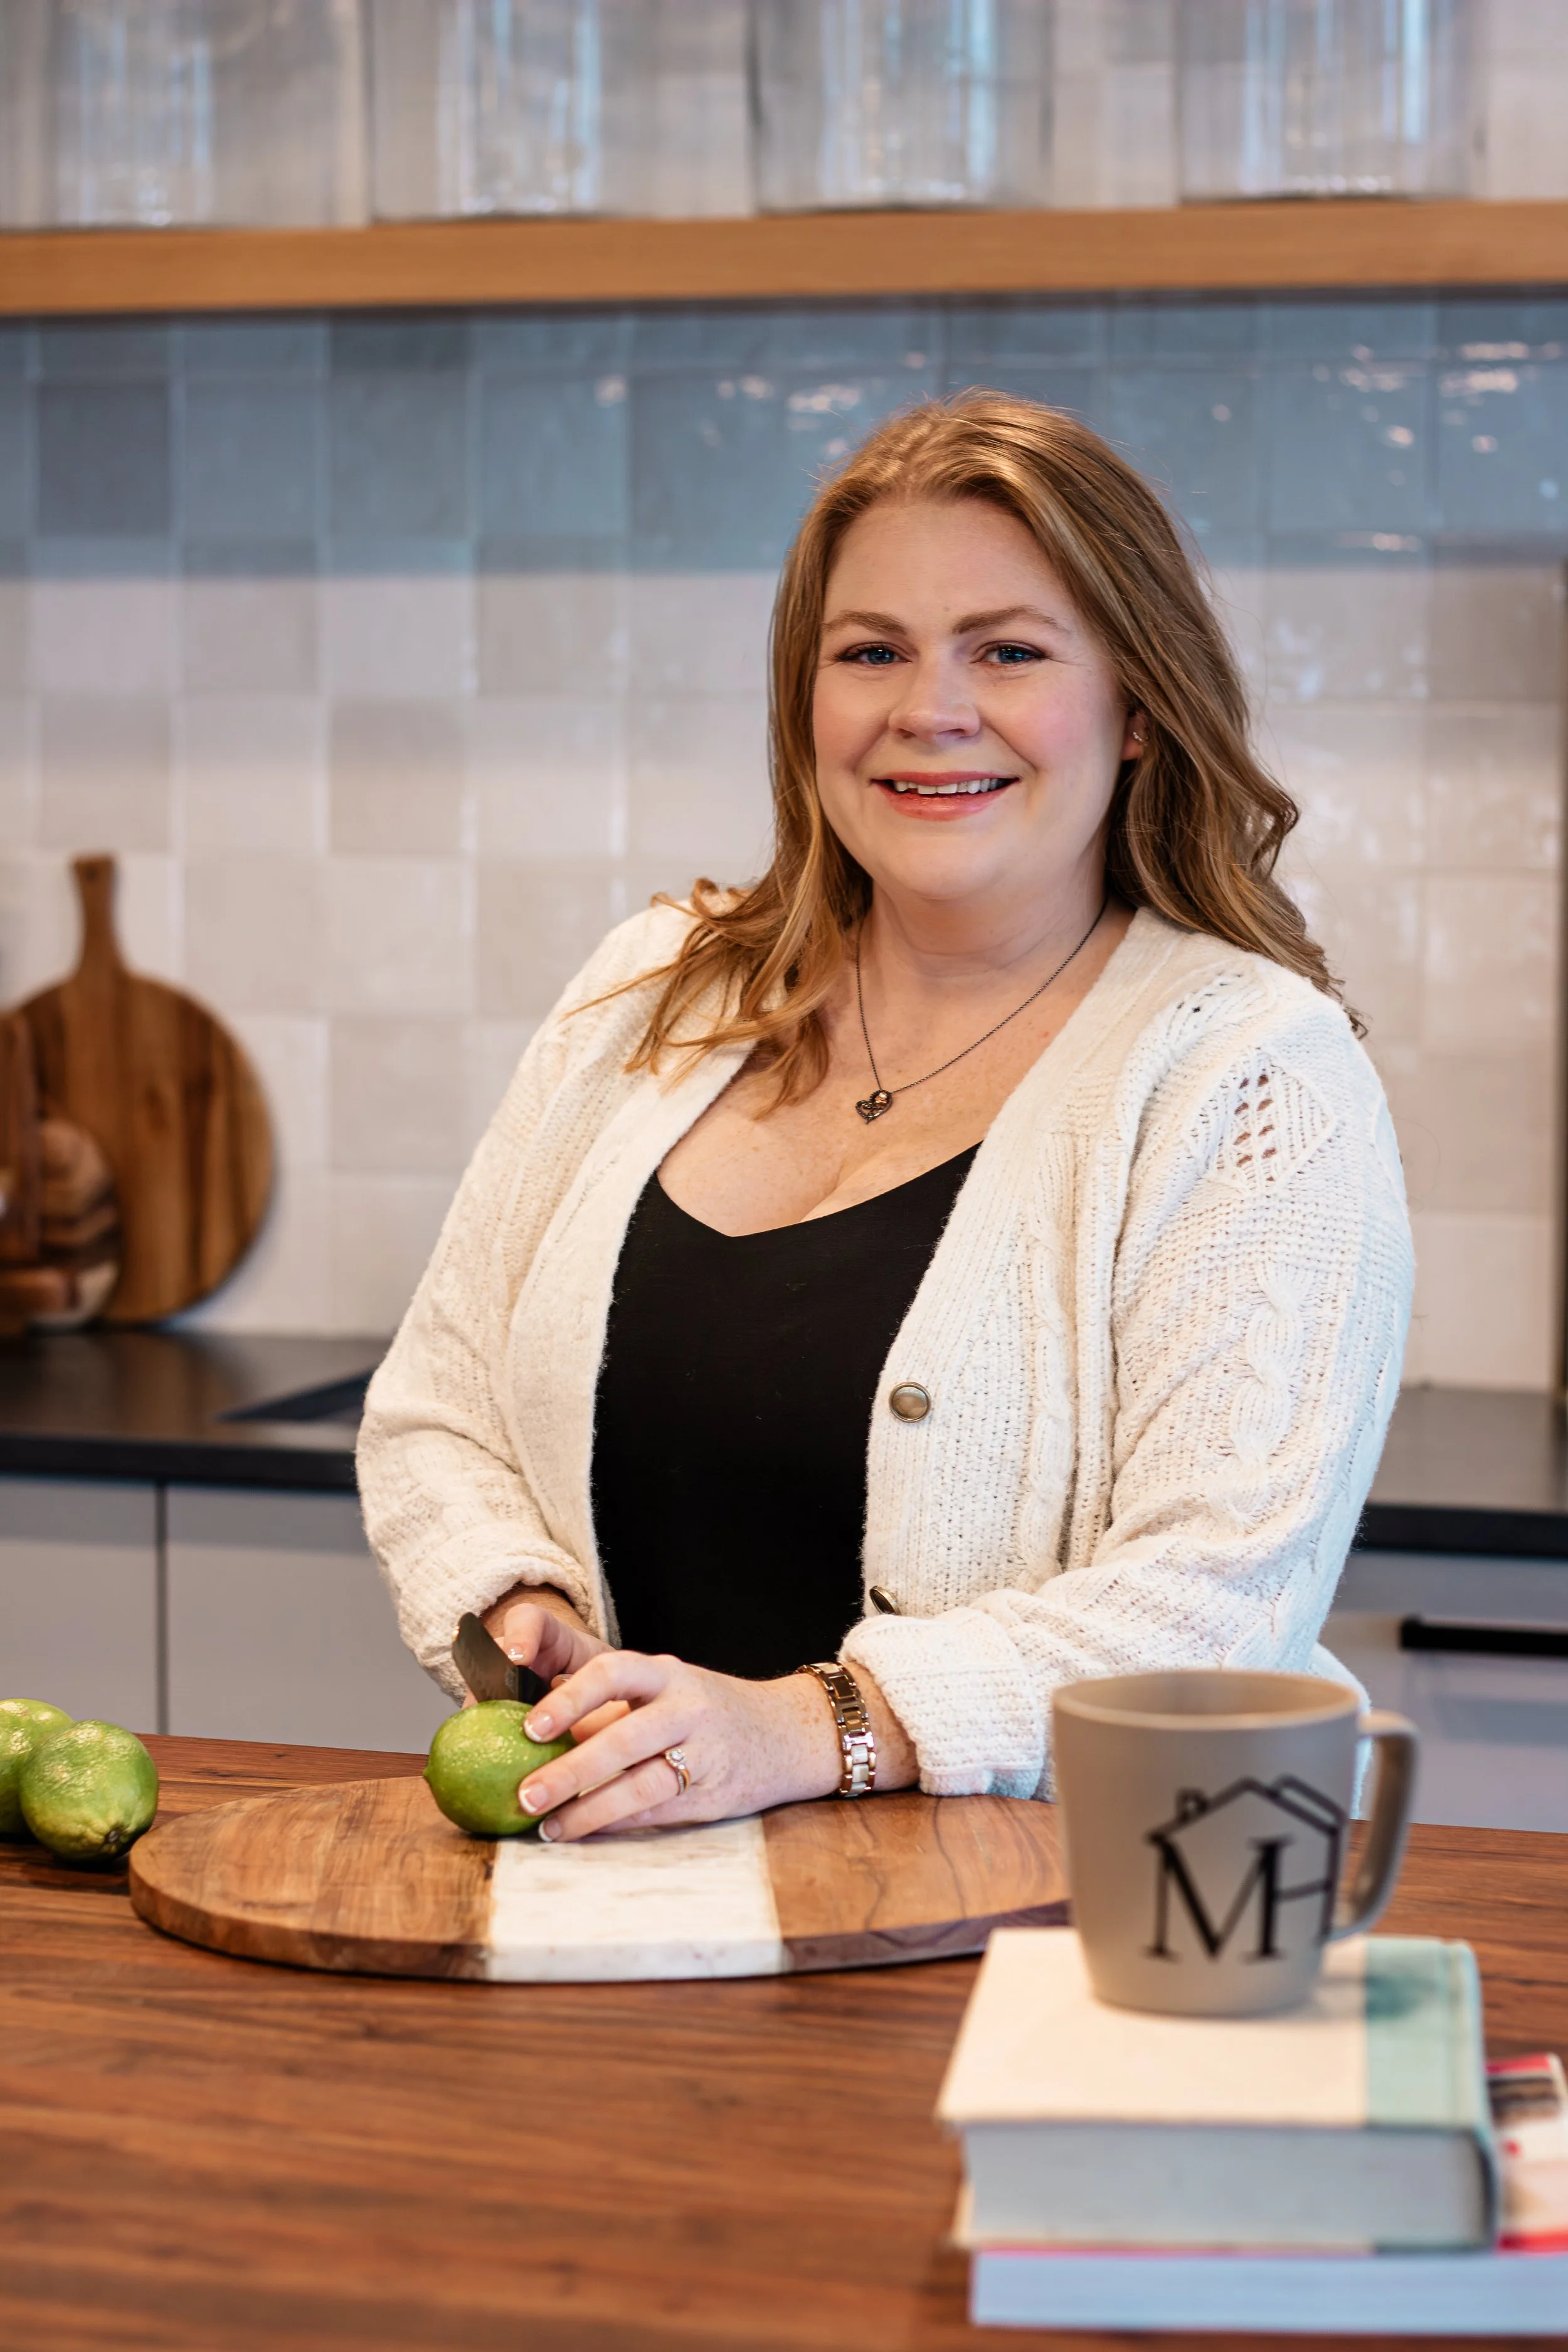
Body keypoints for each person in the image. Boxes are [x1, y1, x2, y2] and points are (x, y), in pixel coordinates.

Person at [358, 394, 1412, 1844]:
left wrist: (814, 1730)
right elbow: (438, 1410)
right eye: (871, 653)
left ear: (1140, 707)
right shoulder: (655, 989)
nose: (930, 708)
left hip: (1084, 1936)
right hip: (644, 1917)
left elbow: (1210, 1607)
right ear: (808, 704)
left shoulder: (1243, 1074)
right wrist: (514, 1603)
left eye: (1008, 651)